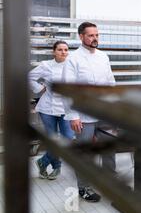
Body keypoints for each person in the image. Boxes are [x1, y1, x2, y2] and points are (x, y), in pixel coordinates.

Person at [62, 22, 116, 203]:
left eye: (97, 35)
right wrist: (73, 116)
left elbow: (110, 83)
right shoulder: (73, 59)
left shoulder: (103, 57)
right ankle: (83, 188)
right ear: (81, 37)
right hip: (83, 115)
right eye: (91, 35)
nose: (95, 38)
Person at [29, 40, 74, 180]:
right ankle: (56, 167)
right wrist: (39, 88)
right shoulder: (46, 65)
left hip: (67, 108)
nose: (63, 52)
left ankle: (42, 161)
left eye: (66, 50)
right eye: (60, 49)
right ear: (53, 51)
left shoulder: (73, 65)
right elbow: (28, 77)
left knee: (67, 139)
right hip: (48, 108)